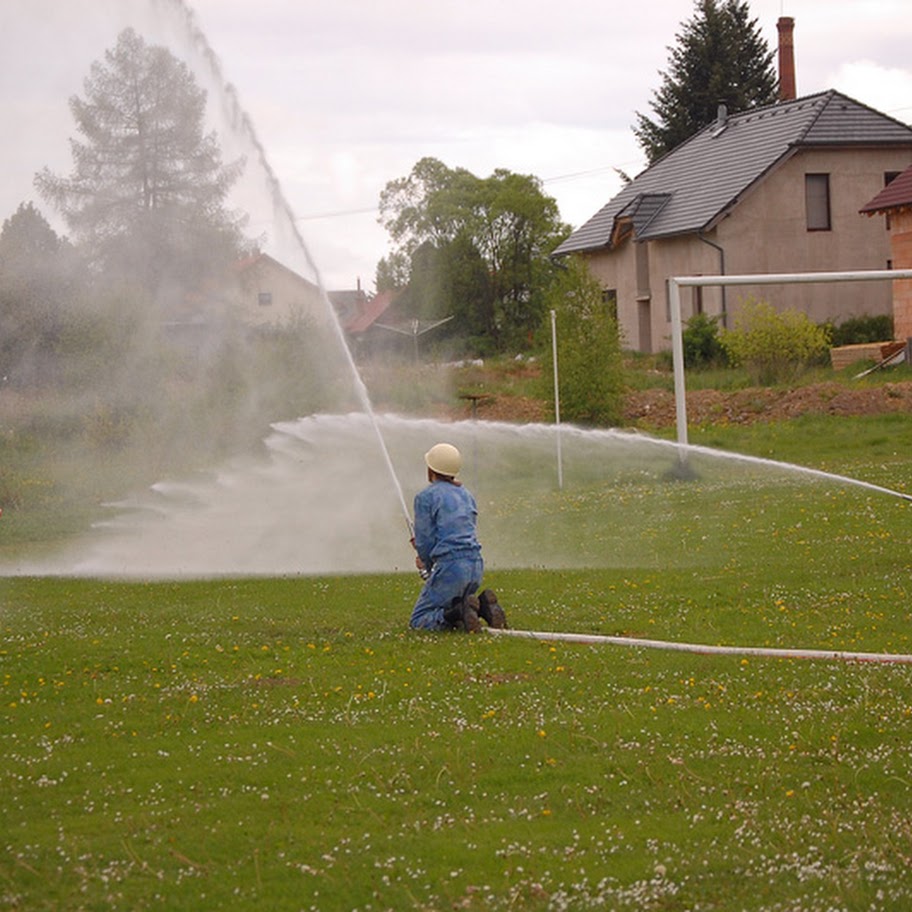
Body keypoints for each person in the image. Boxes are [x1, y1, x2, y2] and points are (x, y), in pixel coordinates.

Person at [408, 442, 507, 632]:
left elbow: (425, 540)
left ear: (431, 469)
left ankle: (460, 611)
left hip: (451, 568)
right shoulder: (466, 494)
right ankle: (484, 606)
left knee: (419, 619)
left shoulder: (426, 497)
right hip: (475, 565)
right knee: (454, 605)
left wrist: (425, 562)